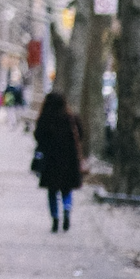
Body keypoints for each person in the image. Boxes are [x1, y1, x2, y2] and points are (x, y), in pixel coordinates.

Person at [34, 91, 85, 232]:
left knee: (52, 192)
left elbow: (38, 136)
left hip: (50, 161)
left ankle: (55, 218)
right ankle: (67, 210)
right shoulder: (72, 118)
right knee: (66, 189)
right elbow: (80, 135)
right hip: (69, 160)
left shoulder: (45, 119)